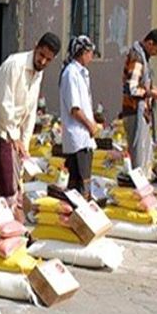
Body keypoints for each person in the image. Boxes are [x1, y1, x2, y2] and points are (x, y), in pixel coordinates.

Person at [0, 32, 60, 210]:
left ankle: (8, 231)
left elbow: (30, 111)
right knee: (0, 188)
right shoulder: (15, 64)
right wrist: (15, 137)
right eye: (41, 55)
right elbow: (5, 103)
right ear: (36, 46)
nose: (43, 62)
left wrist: (25, 144)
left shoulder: (38, 73)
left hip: (12, 134)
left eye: (48, 59)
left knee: (11, 187)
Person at [121, 29, 157, 175]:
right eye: (156, 50)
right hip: (134, 110)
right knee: (138, 154)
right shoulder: (137, 58)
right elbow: (131, 88)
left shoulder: (144, 57)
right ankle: (137, 186)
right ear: (150, 43)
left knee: (144, 152)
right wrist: (150, 93)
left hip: (142, 111)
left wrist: (153, 89)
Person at [59, 35, 99, 197]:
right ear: (83, 52)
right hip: (78, 136)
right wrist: (90, 125)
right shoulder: (71, 73)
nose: (91, 57)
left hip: (84, 137)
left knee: (81, 181)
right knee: (80, 182)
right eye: (90, 53)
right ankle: (78, 214)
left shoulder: (81, 73)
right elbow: (74, 108)